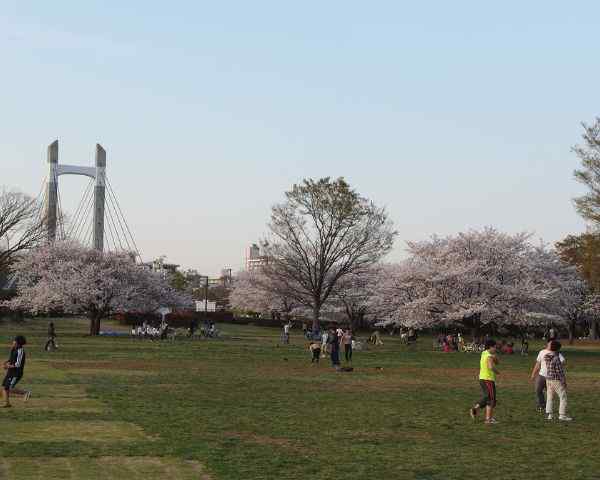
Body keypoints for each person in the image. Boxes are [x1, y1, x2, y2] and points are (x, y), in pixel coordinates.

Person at [530, 340, 566, 413]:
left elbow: (563, 362)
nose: (549, 344)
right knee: (538, 390)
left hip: (551, 377)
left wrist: (555, 365)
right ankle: (542, 406)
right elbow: (538, 364)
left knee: (550, 394)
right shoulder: (542, 352)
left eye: (551, 343)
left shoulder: (557, 354)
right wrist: (533, 374)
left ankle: (549, 409)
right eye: (549, 343)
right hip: (541, 375)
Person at [469, 339, 500, 424]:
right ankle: (488, 419)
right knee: (491, 399)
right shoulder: (489, 356)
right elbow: (491, 366)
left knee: (488, 397)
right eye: (495, 347)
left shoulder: (484, 353)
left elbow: (497, 362)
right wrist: (497, 372)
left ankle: (478, 411)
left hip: (482, 378)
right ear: (491, 347)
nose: (496, 349)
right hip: (488, 379)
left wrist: (495, 357)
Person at [544, 341, 572, 421]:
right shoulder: (557, 358)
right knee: (563, 397)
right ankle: (562, 415)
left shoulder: (546, 356)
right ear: (558, 349)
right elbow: (560, 372)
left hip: (548, 379)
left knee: (550, 397)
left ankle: (550, 415)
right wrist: (564, 381)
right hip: (556, 380)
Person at [2, 336, 31, 408]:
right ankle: (7, 403)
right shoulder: (13, 349)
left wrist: (7, 366)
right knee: (5, 387)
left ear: (18, 343)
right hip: (10, 371)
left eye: (14, 341)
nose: (13, 342)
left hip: (16, 373)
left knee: (11, 387)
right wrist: (6, 362)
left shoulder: (20, 351)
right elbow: (11, 359)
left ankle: (26, 392)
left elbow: (18, 364)